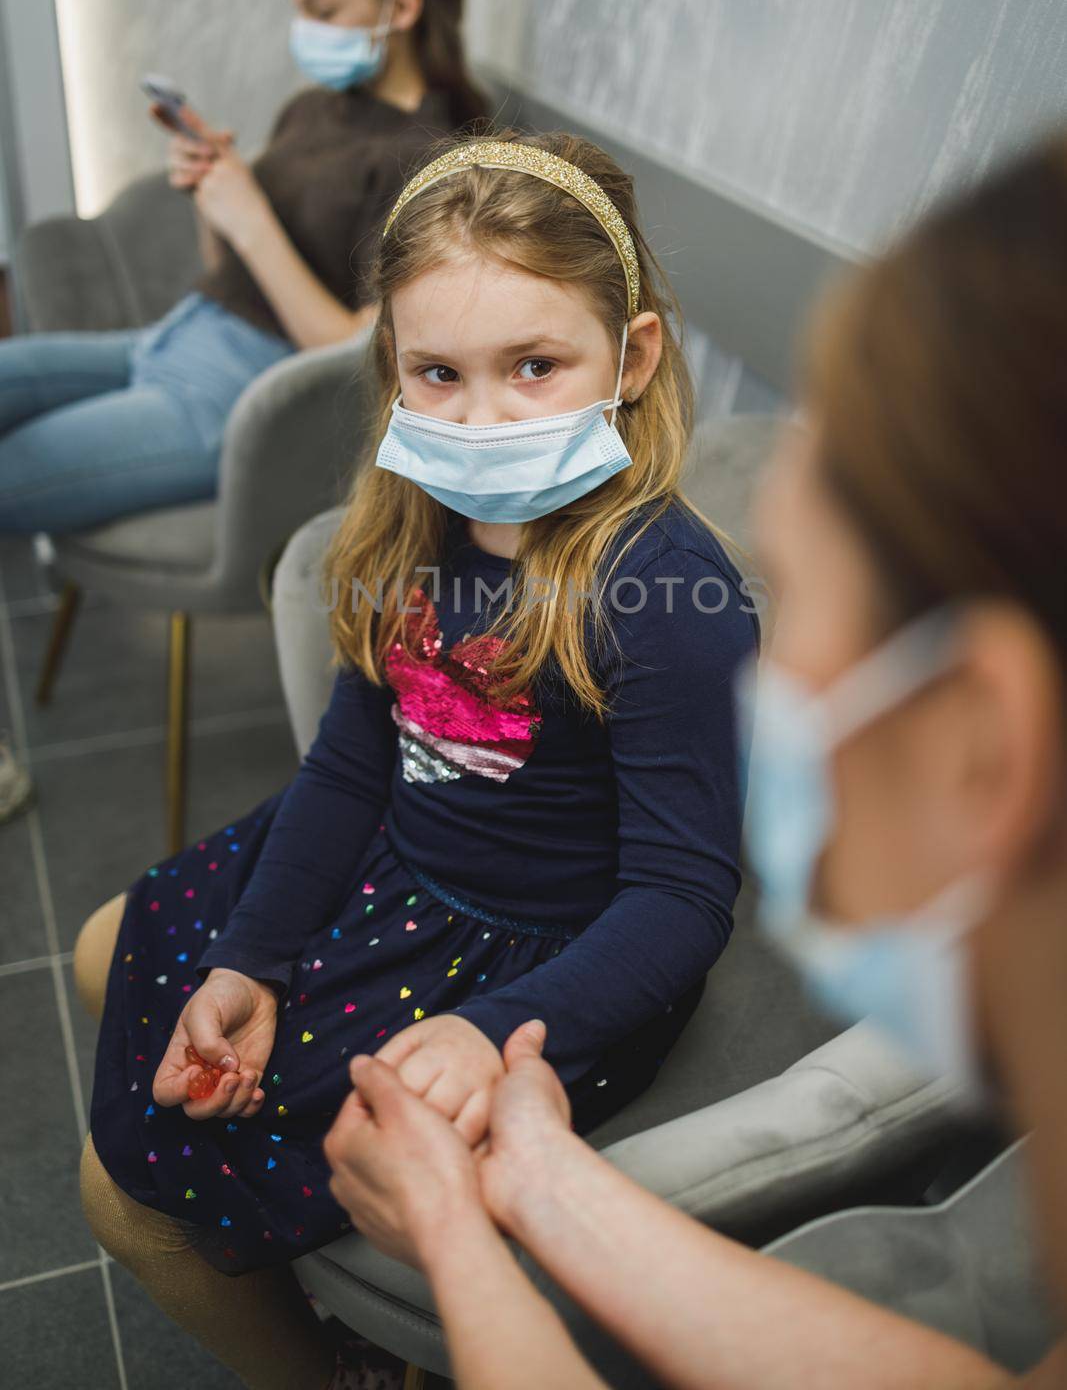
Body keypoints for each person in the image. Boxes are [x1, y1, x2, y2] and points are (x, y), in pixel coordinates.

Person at [322, 130, 1067, 1390]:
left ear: (978, 746)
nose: (761, 675)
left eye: (800, 598)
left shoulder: (661, 592)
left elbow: (675, 888)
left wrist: (458, 1240)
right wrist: (546, 1189)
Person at [73, 129, 760, 1390]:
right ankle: (302, 1282)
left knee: (126, 1203)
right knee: (103, 949)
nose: (482, 417)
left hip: (527, 961)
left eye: (534, 367)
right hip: (392, 868)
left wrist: (486, 1034)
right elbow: (349, 764)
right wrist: (253, 956)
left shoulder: (664, 597)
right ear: (389, 364)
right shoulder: (408, 527)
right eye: (436, 372)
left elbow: (679, 897)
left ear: (633, 355)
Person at [0, 0, 485, 536]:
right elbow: (226, 265)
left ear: (400, 7)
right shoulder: (314, 108)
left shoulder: (427, 158)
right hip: (177, 335)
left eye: (322, 9)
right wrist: (213, 195)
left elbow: (358, 356)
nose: (303, 32)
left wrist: (252, 217)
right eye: (297, 8)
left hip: (239, 399)